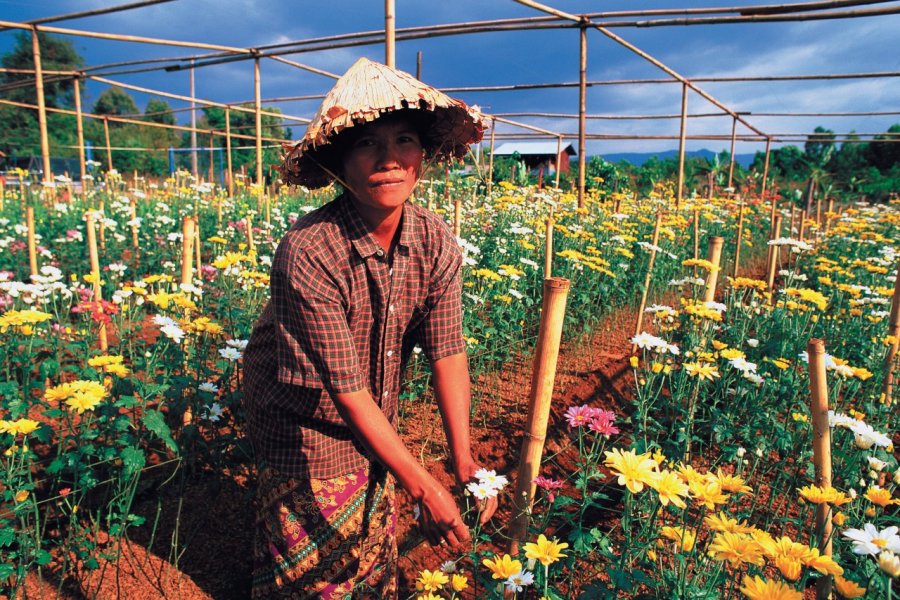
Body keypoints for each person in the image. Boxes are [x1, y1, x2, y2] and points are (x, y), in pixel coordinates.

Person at [242, 57, 497, 598]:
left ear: (423, 154)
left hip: (373, 406)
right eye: (366, 144)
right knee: (315, 559)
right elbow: (345, 391)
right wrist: (424, 487)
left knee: (371, 525)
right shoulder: (309, 250)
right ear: (337, 162)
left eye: (404, 139)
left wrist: (463, 458)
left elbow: (447, 350)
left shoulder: (433, 239)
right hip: (301, 415)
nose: (389, 160)